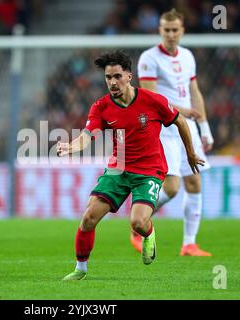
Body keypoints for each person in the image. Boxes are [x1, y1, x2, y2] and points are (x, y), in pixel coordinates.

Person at [59, 50, 204, 280]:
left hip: (149, 171)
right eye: (108, 77)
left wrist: (190, 154)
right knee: (88, 217)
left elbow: (180, 121)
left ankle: (148, 233)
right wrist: (72, 146)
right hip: (118, 168)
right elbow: (89, 134)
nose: (112, 82)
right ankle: (80, 269)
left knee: (137, 222)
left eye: (117, 76)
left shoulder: (152, 101)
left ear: (129, 76)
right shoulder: (102, 106)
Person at [131, 9, 214, 257]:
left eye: (175, 30)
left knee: (195, 181)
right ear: (159, 31)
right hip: (165, 129)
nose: (170, 34)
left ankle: (189, 244)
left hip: (188, 126)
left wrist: (205, 128)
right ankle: (138, 222)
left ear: (182, 31)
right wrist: (183, 110)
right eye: (166, 30)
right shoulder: (149, 58)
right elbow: (151, 98)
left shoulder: (188, 56)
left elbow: (194, 91)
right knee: (172, 188)